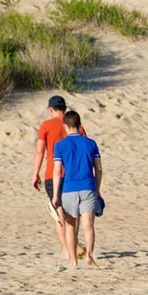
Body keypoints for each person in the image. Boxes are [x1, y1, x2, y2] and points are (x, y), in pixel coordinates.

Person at [32, 95, 86, 258]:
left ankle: (66, 249)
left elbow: (40, 151)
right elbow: (84, 149)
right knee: (73, 212)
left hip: (52, 174)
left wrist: (35, 174)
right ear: (65, 108)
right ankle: (74, 245)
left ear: (50, 109)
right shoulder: (76, 125)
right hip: (74, 174)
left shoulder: (46, 125)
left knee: (59, 213)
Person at [52, 111, 103, 267]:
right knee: (88, 225)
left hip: (69, 189)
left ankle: (73, 261)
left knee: (70, 226)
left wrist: (55, 195)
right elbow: (98, 169)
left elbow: (57, 171)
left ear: (65, 126)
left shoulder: (60, 145)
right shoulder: (91, 143)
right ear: (80, 125)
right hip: (88, 187)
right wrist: (97, 189)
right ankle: (89, 255)